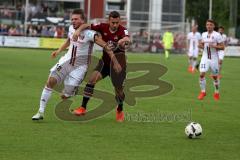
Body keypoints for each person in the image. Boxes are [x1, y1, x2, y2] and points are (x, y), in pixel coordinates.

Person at [32, 9, 121, 120]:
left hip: (80, 68)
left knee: (65, 95)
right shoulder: (70, 28)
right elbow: (69, 40)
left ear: (83, 20)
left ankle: (70, 92)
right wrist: (59, 50)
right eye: (72, 19)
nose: (73, 21)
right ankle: (40, 112)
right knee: (50, 81)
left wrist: (115, 61)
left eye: (76, 19)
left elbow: (105, 46)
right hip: (66, 62)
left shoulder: (90, 34)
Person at [72, 11, 131, 122]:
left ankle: (120, 109)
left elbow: (127, 39)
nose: (115, 25)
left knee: (119, 91)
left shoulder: (123, 30)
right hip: (104, 63)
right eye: (113, 22)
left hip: (118, 65)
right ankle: (83, 108)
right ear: (109, 21)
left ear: (120, 21)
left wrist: (123, 40)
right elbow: (86, 25)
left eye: (117, 22)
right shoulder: (102, 27)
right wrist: (79, 30)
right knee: (91, 80)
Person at [198, 19, 224, 101]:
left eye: (210, 25)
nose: (208, 26)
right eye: (207, 24)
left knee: (215, 77)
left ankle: (216, 92)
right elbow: (201, 44)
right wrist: (201, 46)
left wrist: (214, 46)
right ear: (206, 26)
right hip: (205, 57)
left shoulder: (217, 35)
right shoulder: (203, 34)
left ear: (213, 26)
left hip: (214, 59)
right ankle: (203, 92)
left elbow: (222, 47)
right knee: (202, 74)